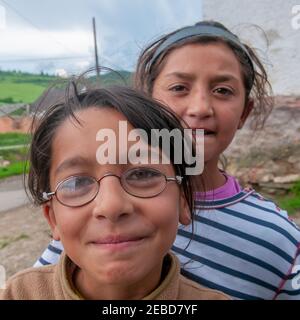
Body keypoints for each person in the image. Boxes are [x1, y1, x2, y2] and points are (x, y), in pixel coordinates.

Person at [35, 21, 300, 300]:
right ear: (146, 101)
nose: (200, 108)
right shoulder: (89, 220)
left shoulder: (279, 240)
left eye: (223, 90)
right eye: (178, 87)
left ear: (245, 112)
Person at [0, 82, 229, 300]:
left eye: (142, 174)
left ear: (182, 201)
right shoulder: (18, 293)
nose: (111, 206)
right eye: (77, 183)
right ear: (53, 219)